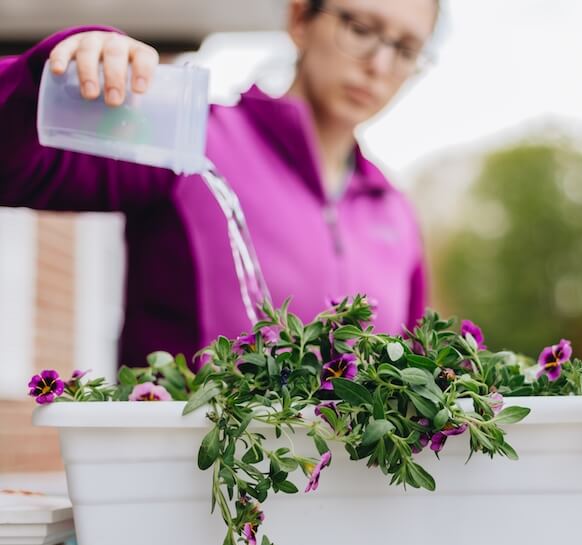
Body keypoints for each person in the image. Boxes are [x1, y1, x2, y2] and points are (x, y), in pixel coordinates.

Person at [0, 0, 436, 366]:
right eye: (361, 29)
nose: (379, 64)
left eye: (405, 49)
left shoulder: (394, 213)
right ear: (301, 19)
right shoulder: (192, 140)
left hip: (343, 471)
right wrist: (44, 76)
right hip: (189, 465)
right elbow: (15, 170)